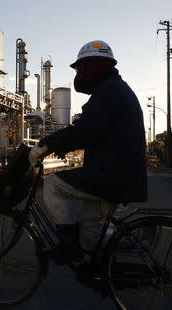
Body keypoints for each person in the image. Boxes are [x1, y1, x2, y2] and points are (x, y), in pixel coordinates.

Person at [29, 40, 147, 264]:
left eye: (81, 68)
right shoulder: (114, 89)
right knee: (90, 222)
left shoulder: (109, 92)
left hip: (113, 175)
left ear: (94, 66)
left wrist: (47, 145)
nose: (79, 74)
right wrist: (64, 145)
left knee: (53, 185)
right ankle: (103, 270)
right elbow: (94, 132)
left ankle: (68, 247)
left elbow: (84, 131)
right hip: (122, 173)